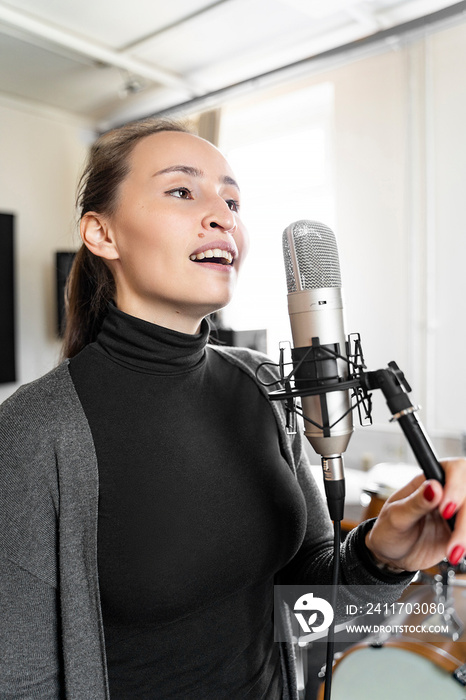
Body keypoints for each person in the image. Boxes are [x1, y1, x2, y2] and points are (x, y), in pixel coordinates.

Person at [0, 118, 465, 700]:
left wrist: (379, 558)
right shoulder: (32, 433)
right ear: (101, 233)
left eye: (233, 199)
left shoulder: (264, 387)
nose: (224, 215)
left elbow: (304, 618)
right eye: (181, 190)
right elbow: (21, 682)